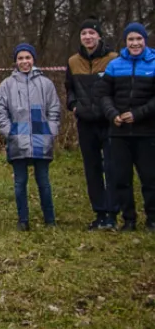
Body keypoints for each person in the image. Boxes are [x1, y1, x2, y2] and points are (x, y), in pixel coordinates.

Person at [0, 42, 61, 231]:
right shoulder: (7, 84)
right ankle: (23, 220)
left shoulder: (45, 83)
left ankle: (50, 220)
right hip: (18, 141)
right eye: (20, 58)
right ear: (15, 61)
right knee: (19, 183)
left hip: (42, 139)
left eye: (27, 58)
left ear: (33, 59)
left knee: (44, 182)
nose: (24, 61)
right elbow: (0, 111)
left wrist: (51, 131)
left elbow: (54, 108)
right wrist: (10, 132)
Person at [98, 23, 155, 232]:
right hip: (119, 132)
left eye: (138, 39)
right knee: (121, 179)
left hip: (147, 131)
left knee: (150, 179)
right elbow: (103, 94)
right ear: (126, 42)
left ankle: (152, 219)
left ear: (144, 40)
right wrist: (112, 114)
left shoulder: (153, 63)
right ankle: (128, 219)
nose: (135, 43)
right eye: (131, 39)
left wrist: (138, 114)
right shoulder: (115, 64)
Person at [66, 18, 119, 229]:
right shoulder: (72, 61)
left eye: (91, 33)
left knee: (112, 168)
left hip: (108, 122)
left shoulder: (113, 59)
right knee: (92, 168)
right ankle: (99, 212)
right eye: (84, 33)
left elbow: (119, 88)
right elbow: (69, 87)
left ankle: (113, 213)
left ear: (99, 36)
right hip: (85, 122)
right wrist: (73, 105)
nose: (88, 37)